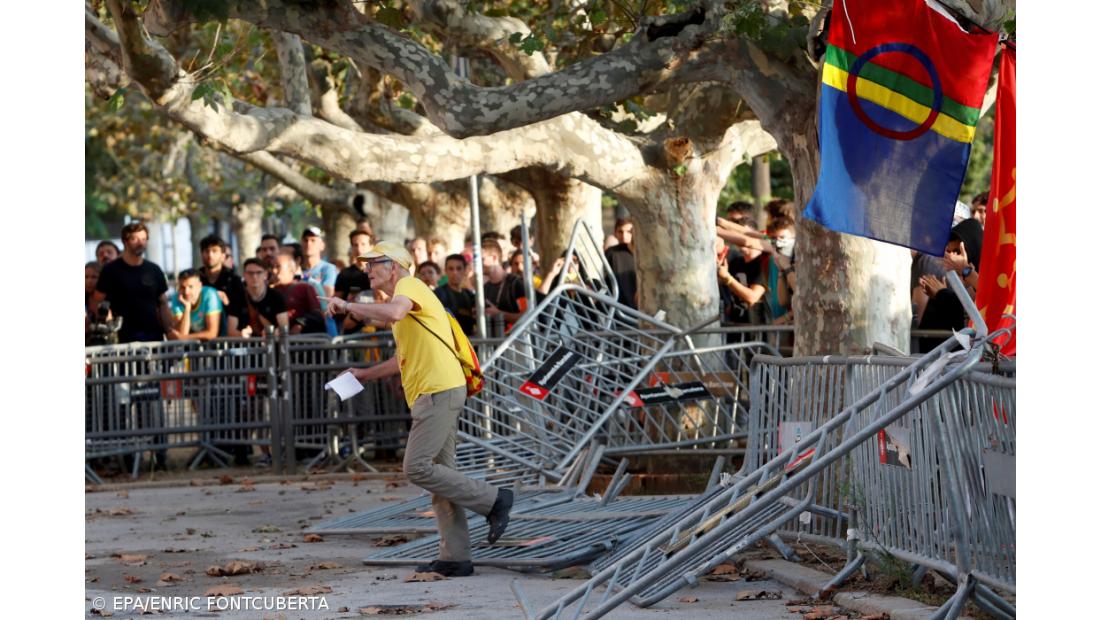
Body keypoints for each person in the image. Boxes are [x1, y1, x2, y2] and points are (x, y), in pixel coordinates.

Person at [323, 241, 513, 577]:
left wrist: (347, 305)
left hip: (438, 390)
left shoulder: (409, 286)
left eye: (373, 263)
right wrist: (364, 373)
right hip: (437, 390)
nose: (367, 270)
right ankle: (455, 557)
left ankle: (495, 500)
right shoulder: (406, 299)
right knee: (441, 475)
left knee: (416, 467)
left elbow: (394, 312)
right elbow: (402, 358)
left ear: (394, 266)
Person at [92, 222, 171, 343]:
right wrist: (105, 324)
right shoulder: (110, 271)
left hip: (153, 340)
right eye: (135, 239)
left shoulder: (154, 270)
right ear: (125, 241)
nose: (140, 243)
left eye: (143, 239)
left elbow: (163, 303)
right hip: (122, 341)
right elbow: (97, 301)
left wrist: (170, 332)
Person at [917, 219, 983, 352]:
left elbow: (989, 299)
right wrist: (941, 296)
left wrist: (965, 271)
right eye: (948, 251)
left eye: (957, 252)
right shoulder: (958, 283)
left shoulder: (992, 275)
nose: (951, 257)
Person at [719, 229, 771, 326]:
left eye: (743, 236)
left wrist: (727, 278)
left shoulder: (763, 264)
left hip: (757, 327)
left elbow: (752, 298)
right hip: (735, 324)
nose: (738, 239)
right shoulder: (735, 261)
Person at [198, 234, 246, 336]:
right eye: (206, 251)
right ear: (201, 254)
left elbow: (243, 311)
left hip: (228, 337)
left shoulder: (234, 280)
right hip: (199, 335)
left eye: (214, 251)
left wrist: (227, 303)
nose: (210, 255)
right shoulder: (195, 279)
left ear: (223, 256)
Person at [228, 259, 289, 338]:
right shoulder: (237, 298)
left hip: (272, 343)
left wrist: (272, 333)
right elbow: (231, 331)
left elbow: (284, 328)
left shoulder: (276, 297)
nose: (254, 276)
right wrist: (241, 334)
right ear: (244, 275)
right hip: (245, 344)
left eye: (259, 272)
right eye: (250, 273)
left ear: (265, 275)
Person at [271, 253, 327, 334]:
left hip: (301, 338)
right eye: (272, 267)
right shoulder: (269, 291)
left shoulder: (305, 288)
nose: (274, 271)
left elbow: (317, 315)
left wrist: (300, 324)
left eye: (278, 267)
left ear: (291, 270)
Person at [481, 239, 527, 335]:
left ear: (494, 258)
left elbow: (528, 315)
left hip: (515, 340)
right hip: (493, 341)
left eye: (482, 259)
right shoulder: (484, 287)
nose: (477, 265)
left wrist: (499, 314)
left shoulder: (515, 284)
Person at [301, 227, 339, 335]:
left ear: (322, 245)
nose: (308, 243)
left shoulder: (328, 268)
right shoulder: (295, 270)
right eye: (305, 240)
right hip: (302, 323)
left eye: (313, 240)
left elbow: (326, 297)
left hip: (324, 323)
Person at [166, 269, 223, 341]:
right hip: (193, 345)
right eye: (183, 287)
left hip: (219, 344)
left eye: (190, 287)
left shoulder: (210, 295)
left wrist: (183, 337)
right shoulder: (177, 297)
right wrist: (187, 308)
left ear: (200, 286)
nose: (186, 292)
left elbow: (212, 334)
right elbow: (182, 333)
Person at [335, 230, 374, 331]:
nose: (359, 249)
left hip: (379, 326)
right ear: (351, 248)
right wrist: (348, 303)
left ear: (371, 246)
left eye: (363, 244)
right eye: (355, 245)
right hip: (352, 328)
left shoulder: (380, 272)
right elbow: (335, 306)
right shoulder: (344, 274)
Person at [763, 216, 796, 323]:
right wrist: (781, 271)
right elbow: (782, 301)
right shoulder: (782, 261)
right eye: (774, 238)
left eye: (782, 237)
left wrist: (787, 267)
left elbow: (801, 293)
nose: (778, 242)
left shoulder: (803, 260)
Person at [435, 254, 477, 336]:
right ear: (445, 271)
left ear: (465, 270)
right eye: (451, 269)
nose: (455, 272)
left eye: (459, 268)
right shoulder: (438, 293)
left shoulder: (470, 295)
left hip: (468, 339)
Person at [604, 217, 637, 308]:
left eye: (629, 232)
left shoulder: (643, 254)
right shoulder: (612, 253)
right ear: (615, 233)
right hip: (618, 306)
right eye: (620, 232)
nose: (624, 236)